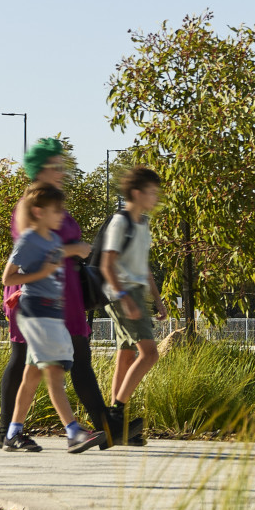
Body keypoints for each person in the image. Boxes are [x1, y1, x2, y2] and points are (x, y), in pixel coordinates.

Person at [0, 138, 113, 449]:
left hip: (61, 293)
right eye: (56, 166)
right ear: (40, 169)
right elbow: (32, 249)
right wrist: (73, 249)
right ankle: (79, 430)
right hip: (35, 295)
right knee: (39, 363)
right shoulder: (29, 207)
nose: (62, 171)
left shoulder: (52, 203)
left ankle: (10, 432)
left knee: (40, 365)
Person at [98, 165, 165, 445]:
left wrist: (158, 299)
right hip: (122, 294)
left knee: (126, 357)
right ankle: (116, 414)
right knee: (150, 354)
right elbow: (107, 263)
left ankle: (117, 428)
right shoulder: (120, 222)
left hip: (136, 293)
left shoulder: (143, 223)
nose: (156, 198)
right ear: (136, 193)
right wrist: (126, 299)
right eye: (151, 193)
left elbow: (143, 266)